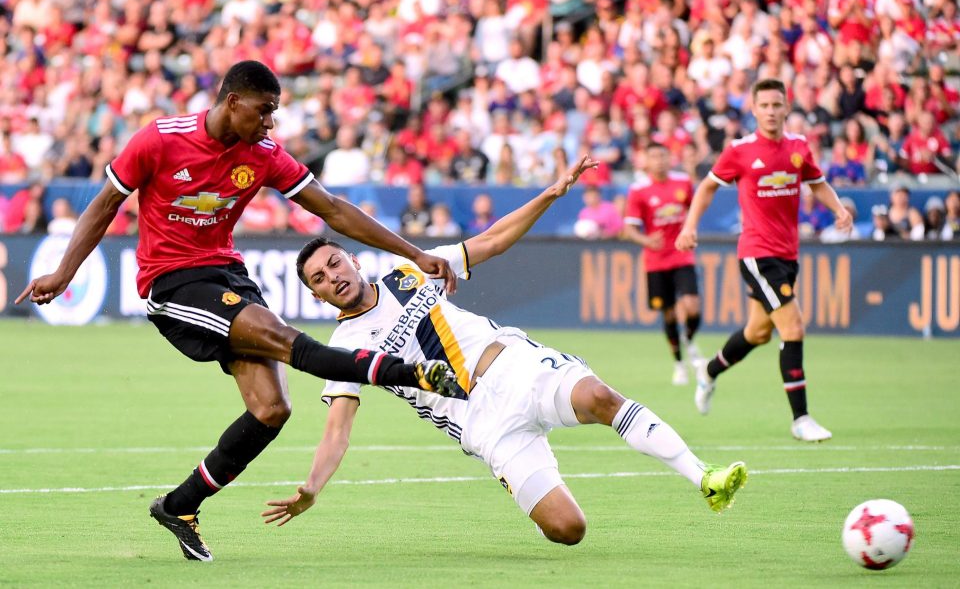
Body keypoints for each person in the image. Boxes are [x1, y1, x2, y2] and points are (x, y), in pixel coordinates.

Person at [15, 61, 459, 562]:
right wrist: (63, 272)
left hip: (228, 272)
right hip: (173, 281)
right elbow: (103, 207)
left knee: (272, 408)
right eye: (264, 111)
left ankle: (180, 507)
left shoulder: (263, 154)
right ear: (232, 101)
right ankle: (412, 374)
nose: (270, 123)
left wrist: (414, 253)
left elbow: (332, 208)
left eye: (274, 113)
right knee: (289, 342)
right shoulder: (158, 140)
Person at [262, 156, 748, 542]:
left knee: (599, 398)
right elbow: (337, 431)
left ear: (351, 258)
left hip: (516, 367)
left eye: (334, 263)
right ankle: (538, 487)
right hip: (483, 426)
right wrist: (311, 488)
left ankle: (704, 477)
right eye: (320, 279)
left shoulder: (409, 271)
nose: (333, 277)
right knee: (568, 530)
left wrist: (551, 194)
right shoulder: (343, 350)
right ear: (315, 295)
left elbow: (492, 241)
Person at [676, 78, 852, 442]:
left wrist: (839, 210)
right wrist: (689, 225)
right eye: (764, 106)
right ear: (754, 110)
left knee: (757, 332)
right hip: (757, 253)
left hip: (788, 254)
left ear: (787, 107)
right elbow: (707, 186)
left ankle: (708, 371)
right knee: (793, 327)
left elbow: (816, 182)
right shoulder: (739, 151)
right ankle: (801, 419)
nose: (771, 111)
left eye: (777, 105)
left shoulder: (799, 147)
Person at [622, 143, 702, 386]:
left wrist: (689, 229)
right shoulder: (639, 190)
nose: (659, 160)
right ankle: (679, 363)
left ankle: (689, 340)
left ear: (670, 158)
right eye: (654, 156)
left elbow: (695, 209)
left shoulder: (683, 183)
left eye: (663, 155)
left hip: (682, 255)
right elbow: (629, 228)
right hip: (656, 262)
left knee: (692, 307)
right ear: (646, 160)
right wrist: (646, 239)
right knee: (668, 314)